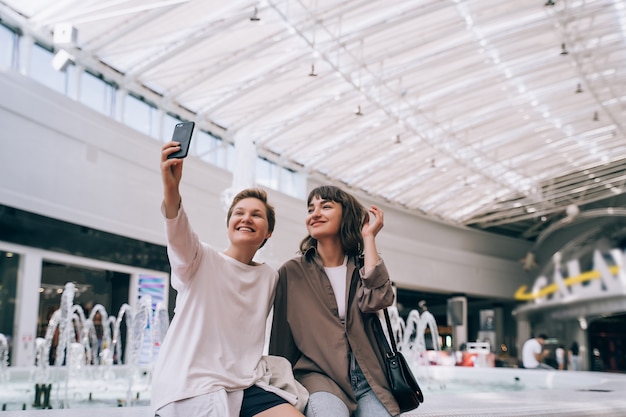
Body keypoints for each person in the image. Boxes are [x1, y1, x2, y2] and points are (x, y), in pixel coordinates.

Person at [151, 140, 304, 417]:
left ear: (268, 232)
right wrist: (171, 188)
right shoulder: (199, 259)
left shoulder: (269, 276)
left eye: (256, 215)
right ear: (229, 223)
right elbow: (177, 231)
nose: (246, 218)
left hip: (243, 386)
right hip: (189, 387)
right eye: (239, 213)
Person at [269, 185, 401, 417]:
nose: (315, 213)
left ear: (346, 215)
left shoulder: (362, 267)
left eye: (326, 206)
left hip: (370, 380)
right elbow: (281, 335)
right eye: (311, 209)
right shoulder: (292, 272)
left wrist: (368, 237)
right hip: (319, 378)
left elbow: (380, 298)